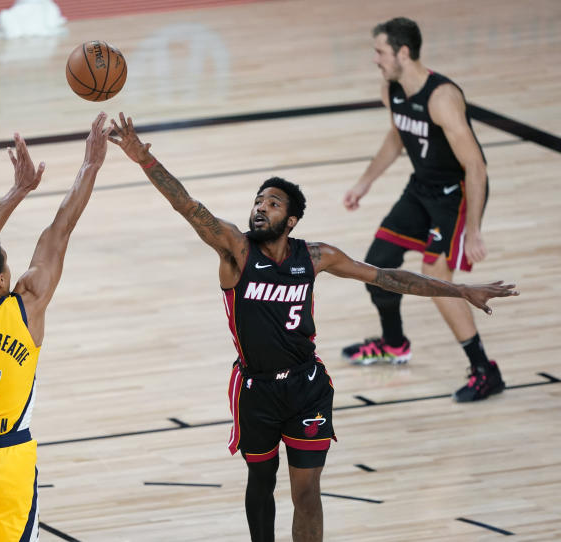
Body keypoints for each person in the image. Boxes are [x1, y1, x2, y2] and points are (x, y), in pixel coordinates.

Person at [109, 112, 517, 542]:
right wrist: (144, 160)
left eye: (273, 204)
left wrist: (460, 289)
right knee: (261, 483)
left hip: (307, 388)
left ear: (291, 221)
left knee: (307, 493)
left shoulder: (317, 256)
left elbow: (387, 276)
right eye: (259, 201)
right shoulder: (236, 251)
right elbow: (188, 206)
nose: (261, 208)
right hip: (256, 390)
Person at [0, 113, 109, 541]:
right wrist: (90, 165)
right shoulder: (28, 306)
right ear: (1, 280)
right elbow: (59, 231)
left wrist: (18, 191)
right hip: (11, 453)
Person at [341, 17, 500, 402]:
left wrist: (473, 229)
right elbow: (398, 136)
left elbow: (476, 165)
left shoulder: (441, 98)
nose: (375, 59)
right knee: (377, 265)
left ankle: (484, 369)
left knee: (435, 274)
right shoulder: (391, 89)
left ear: (403, 52)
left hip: (455, 195)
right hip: (422, 190)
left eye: (380, 51)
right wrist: (365, 182)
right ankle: (394, 345)